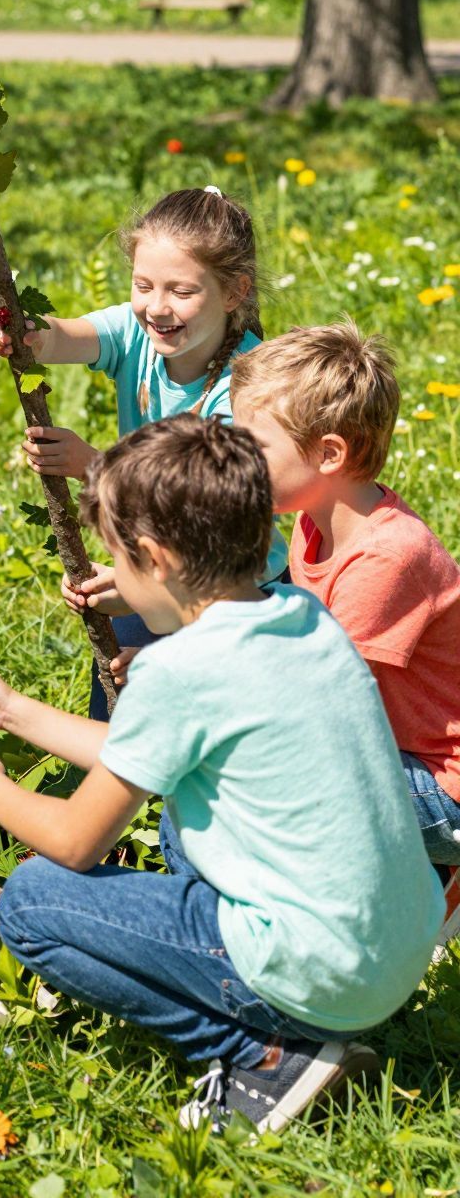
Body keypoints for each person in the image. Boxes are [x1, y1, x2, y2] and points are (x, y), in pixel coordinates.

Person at [0, 416, 442, 1135]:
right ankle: (297, 1018)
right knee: (180, 817)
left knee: (31, 903)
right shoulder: (299, 613)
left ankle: (262, 1056)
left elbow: (76, 842)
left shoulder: (180, 668)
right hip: (396, 946)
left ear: (154, 558)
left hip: (323, 967)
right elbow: (147, 751)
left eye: (119, 558)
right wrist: (15, 713)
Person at [0, 186, 285, 709]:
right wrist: (27, 332)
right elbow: (65, 336)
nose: (156, 307)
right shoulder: (136, 331)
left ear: (235, 292)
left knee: (199, 711)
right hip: (160, 569)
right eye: (143, 285)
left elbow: (201, 513)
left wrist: (95, 469)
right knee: (119, 698)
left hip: (234, 588)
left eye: (181, 291)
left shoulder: (246, 389)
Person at [230, 324, 460, 944]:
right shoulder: (316, 521)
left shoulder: (386, 557)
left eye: (254, 445)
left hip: (446, 787)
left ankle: (416, 883)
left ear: (328, 455)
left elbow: (316, 696)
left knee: (265, 787)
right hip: (395, 748)